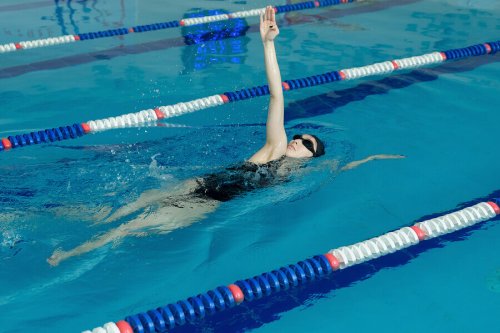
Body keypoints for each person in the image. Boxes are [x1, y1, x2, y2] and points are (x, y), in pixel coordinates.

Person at [47, 6, 403, 266]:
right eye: (300, 135)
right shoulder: (274, 149)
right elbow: (278, 95)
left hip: (207, 203)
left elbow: (339, 169)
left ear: (311, 157)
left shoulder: (303, 174)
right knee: (123, 213)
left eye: (307, 143)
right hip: (199, 185)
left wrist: (373, 159)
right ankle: (69, 236)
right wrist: (267, 44)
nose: (298, 140)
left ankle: (68, 244)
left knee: (135, 227)